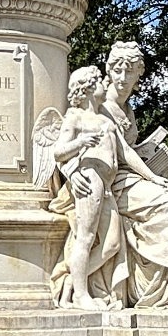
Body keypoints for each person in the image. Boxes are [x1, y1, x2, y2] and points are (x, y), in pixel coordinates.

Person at [99, 41, 168, 310]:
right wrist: (153, 178)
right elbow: (122, 153)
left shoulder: (128, 109)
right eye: (118, 70)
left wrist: (160, 163)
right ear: (109, 71)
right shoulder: (102, 106)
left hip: (129, 177)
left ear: (138, 76)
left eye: (130, 72)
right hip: (114, 183)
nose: (123, 78)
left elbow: (130, 150)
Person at [35, 67, 129, 309]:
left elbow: (126, 153)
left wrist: (154, 177)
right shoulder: (75, 117)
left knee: (112, 245)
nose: (104, 84)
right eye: (99, 81)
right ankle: (80, 294)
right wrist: (81, 142)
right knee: (86, 238)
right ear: (87, 88)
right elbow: (58, 152)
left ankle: (71, 279)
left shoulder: (105, 120)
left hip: (106, 185)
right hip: (90, 180)